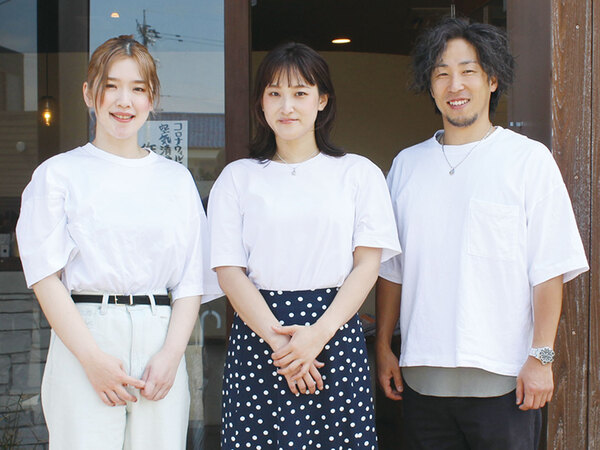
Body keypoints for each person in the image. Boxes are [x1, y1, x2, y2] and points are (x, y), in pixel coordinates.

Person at [375, 17, 589, 450]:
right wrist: (383, 346)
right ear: (430, 85)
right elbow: (391, 271)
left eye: (468, 71)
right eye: (442, 73)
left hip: (506, 381)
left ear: (492, 80)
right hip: (422, 379)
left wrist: (542, 357)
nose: (455, 85)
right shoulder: (406, 165)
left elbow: (549, 267)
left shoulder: (528, 160)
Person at [16, 35, 221, 450]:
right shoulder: (58, 174)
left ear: (152, 99)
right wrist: (91, 360)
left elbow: (190, 280)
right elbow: (45, 277)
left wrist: (171, 356)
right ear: (88, 93)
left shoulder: (176, 180)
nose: (124, 101)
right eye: (111, 86)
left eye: (138, 88)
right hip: (85, 333)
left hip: (159, 337)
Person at [208, 42, 401, 449]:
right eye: (274, 93)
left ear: (322, 99)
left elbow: (368, 265)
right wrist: (282, 345)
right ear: (261, 102)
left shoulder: (358, 173)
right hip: (261, 336)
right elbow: (228, 270)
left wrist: (317, 336)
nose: (287, 106)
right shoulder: (238, 177)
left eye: (300, 93)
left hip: (333, 333)